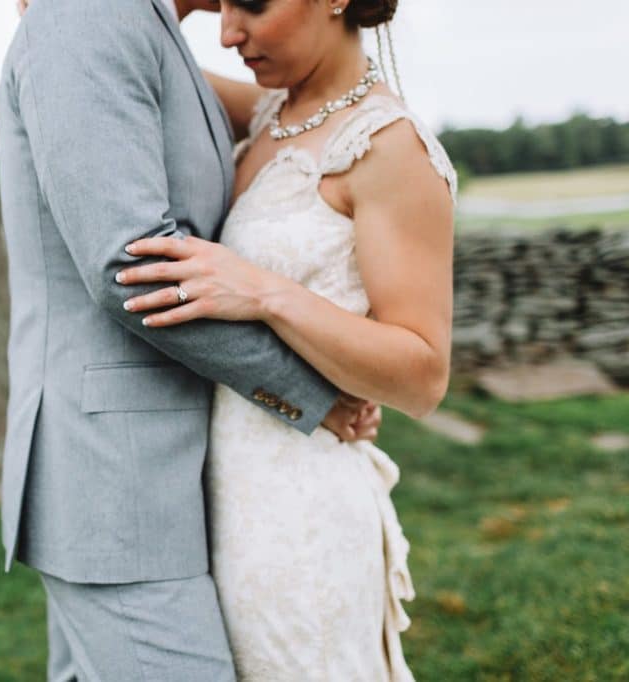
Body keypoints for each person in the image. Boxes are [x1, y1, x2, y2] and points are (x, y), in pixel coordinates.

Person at [0, 0, 383, 679]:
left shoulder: (139, 25)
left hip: (170, 472)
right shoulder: (85, 17)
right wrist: (309, 390)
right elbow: (130, 266)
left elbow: (309, 104)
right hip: (117, 480)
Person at [116, 0, 457, 679]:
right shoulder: (274, 111)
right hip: (223, 498)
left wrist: (265, 294)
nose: (228, 32)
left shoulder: (389, 148)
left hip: (302, 519)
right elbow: (134, 61)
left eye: (252, 4)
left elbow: (423, 375)